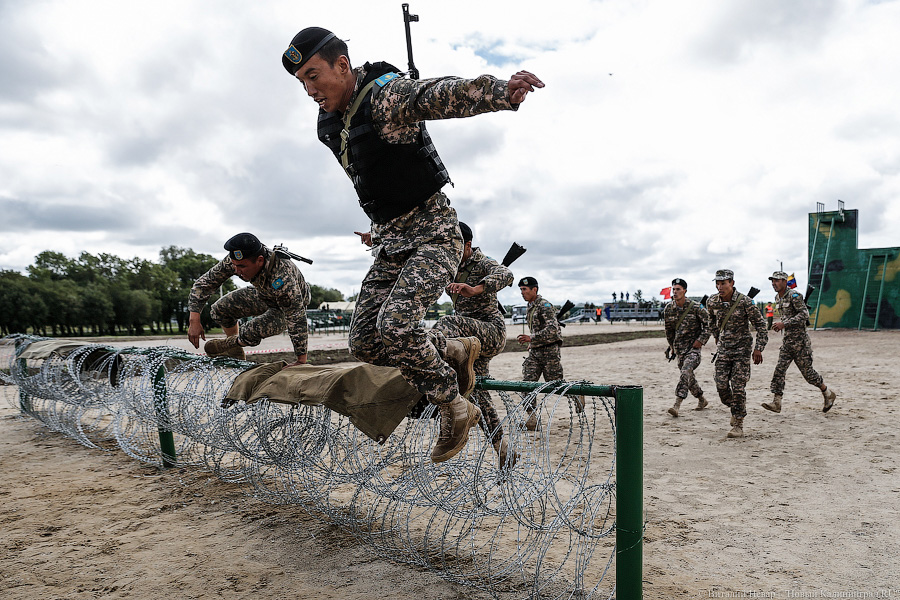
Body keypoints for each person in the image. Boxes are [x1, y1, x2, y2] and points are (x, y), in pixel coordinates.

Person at [282, 27, 544, 463]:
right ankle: (453, 354)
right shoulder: (329, 124)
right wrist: (377, 228)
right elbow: (380, 179)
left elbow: (436, 94)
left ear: (342, 65)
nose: (310, 90)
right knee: (365, 341)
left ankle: (454, 407)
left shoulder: (385, 98)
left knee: (397, 326)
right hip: (392, 242)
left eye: (314, 76)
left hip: (435, 235)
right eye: (302, 83)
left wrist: (503, 92)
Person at [433, 222, 516, 466]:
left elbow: (506, 275)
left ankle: (427, 355)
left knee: (448, 321)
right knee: (476, 393)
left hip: (489, 331)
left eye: (457, 247)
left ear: (468, 245)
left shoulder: (482, 262)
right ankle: (502, 447)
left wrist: (476, 288)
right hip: (467, 342)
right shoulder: (449, 264)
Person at [188, 233, 311, 367]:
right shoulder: (236, 260)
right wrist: (194, 320)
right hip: (263, 294)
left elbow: (296, 316)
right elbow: (204, 284)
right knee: (219, 310)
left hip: (284, 306)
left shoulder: (282, 276)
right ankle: (235, 352)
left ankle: (231, 343)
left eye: (242, 267)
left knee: (251, 331)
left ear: (259, 260)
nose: (237, 270)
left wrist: (301, 360)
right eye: (235, 265)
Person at [763, 271, 837, 414]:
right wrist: (781, 325)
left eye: (776, 281)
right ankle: (776, 402)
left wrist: (784, 324)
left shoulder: (794, 296)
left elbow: (804, 314)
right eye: (772, 281)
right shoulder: (777, 298)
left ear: (785, 281)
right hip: (787, 343)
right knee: (779, 370)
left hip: (800, 343)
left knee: (809, 375)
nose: (773, 283)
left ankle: (828, 393)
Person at [706, 269, 768, 438]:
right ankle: (735, 409)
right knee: (721, 386)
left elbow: (761, 326)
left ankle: (738, 423)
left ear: (732, 283)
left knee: (738, 387)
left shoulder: (745, 302)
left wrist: (758, 348)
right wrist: (716, 336)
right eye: (717, 283)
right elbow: (710, 320)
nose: (720, 287)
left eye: (723, 283)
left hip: (742, 350)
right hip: (724, 349)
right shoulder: (712, 301)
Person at [516, 277, 563, 430]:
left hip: (550, 351)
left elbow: (553, 330)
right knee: (528, 383)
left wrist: (532, 338)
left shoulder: (545, 306)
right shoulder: (530, 306)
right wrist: (532, 343)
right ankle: (532, 420)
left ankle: (576, 395)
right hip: (536, 352)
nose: (522, 293)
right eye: (521, 290)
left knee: (555, 383)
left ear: (534, 290)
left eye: (525, 289)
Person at [662, 278, 711, 417]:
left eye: (678, 289)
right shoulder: (669, 309)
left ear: (685, 291)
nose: (675, 292)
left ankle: (677, 404)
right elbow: (669, 330)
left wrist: (701, 340)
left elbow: (709, 325)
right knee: (688, 377)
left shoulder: (696, 307)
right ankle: (702, 400)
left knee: (686, 371)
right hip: (679, 349)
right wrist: (671, 346)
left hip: (693, 349)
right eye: (674, 289)